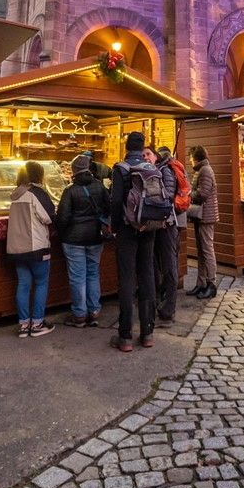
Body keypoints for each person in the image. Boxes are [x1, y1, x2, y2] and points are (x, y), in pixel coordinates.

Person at [109, 132, 158, 351]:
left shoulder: (121, 169)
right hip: (148, 228)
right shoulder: (151, 168)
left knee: (127, 280)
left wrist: (116, 228)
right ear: (142, 148)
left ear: (127, 147)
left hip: (128, 230)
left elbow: (116, 200)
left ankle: (126, 336)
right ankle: (147, 333)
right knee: (147, 275)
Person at [55, 153, 107, 326]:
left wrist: (61, 234)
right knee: (93, 273)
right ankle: (94, 310)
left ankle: (79, 314)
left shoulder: (70, 190)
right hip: (95, 237)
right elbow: (108, 207)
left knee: (78, 277)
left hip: (73, 240)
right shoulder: (99, 186)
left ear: (74, 171)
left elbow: (62, 217)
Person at [5, 162, 55, 337]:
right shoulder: (37, 193)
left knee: (23, 284)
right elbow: (48, 217)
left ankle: (24, 325)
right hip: (36, 247)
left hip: (16, 249)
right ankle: (38, 323)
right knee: (41, 283)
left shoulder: (15, 194)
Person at [145, 146, 180, 327]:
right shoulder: (153, 171)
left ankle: (168, 311)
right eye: (143, 155)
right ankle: (159, 304)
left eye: (148, 154)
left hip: (167, 224)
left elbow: (167, 197)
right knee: (155, 266)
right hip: (154, 226)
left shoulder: (165, 171)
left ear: (156, 156)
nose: (145, 157)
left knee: (169, 266)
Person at [188, 146, 219, 299]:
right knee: (201, 251)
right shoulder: (201, 170)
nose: (189, 160)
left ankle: (211, 284)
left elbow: (203, 193)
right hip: (201, 216)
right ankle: (201, 284)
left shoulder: (205, 170)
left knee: (207, 250)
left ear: (195, 157)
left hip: (206, 216)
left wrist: (189, 193)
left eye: (190, 157)